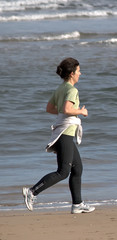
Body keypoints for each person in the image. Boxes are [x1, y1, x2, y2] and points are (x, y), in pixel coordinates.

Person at [22, 57, 95, 214]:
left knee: (78, 168)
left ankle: (77, 204)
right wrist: (81, 112)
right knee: (63, 172)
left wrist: (64, 113)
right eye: (79, 71)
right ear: (71, 74)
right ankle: (32, 192)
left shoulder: (61, 88)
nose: (80, 74)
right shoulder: (72, 90)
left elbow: (50, 108)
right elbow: (68, 109)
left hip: (63, 132)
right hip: (65, 134)